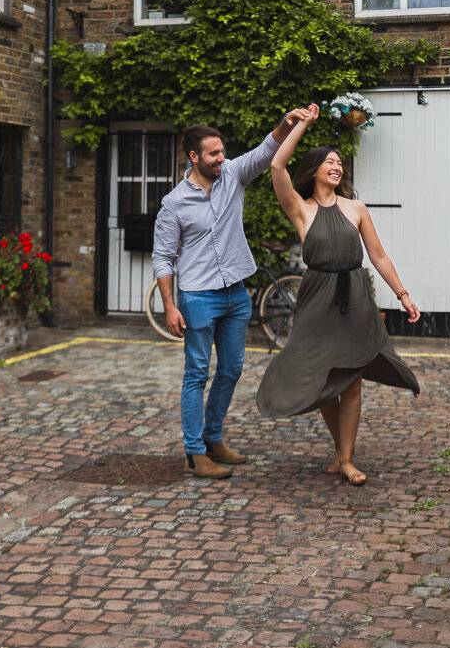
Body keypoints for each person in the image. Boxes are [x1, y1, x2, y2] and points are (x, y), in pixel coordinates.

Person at [256, 103, 420, 485]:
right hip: (318, 298)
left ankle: (346, 458)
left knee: (352, 379)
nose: (337, 166)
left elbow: (378, 255)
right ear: (314, 170)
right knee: (323, 380)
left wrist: (403, 294)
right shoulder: (301, 209)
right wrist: (301, 124)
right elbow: (277, 167)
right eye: (329, 161)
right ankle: (339, 449)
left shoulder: (356, 208)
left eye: (340, 162)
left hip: (355, 296)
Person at [153, 110, 312, 480]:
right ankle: (194, 454)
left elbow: (265, 150)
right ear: (194, 156)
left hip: (236, 293)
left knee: (231, 369)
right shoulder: (174, 203)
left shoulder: (233, 176)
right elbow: (162, 257)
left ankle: (213, 439)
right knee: (196, 374)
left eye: (222, 151)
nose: (221, 158)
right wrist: (170, 306)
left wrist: (287, 124)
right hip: (198, 297)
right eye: (213, 154)